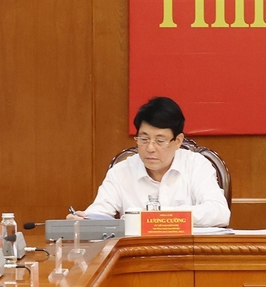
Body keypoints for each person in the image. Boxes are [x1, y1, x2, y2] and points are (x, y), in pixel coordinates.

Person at [69, 97, 230, 227]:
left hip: (186, 252)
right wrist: (82, 222)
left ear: (178, 141)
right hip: (136, 254)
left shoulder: (196, 165)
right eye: (144, 139)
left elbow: (220, 213)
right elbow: (98, 214)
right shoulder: (121, 171)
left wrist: (159, 216)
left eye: (160, 141)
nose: (150, 148)